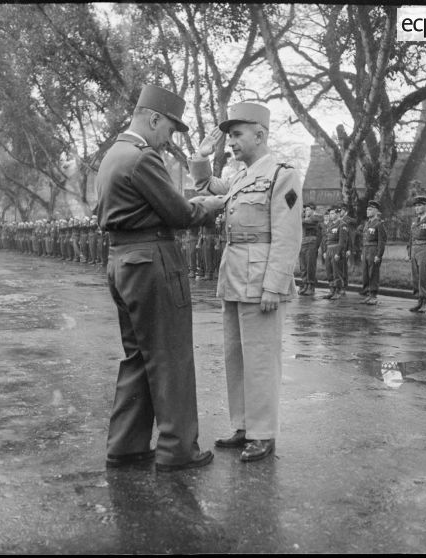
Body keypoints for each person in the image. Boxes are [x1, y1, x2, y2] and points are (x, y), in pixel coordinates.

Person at [96, 84, 224, 472]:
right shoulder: (142, 157)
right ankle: (178, 450)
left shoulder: (113, 155)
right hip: (152, 262)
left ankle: (127, 445)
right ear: (152, 119)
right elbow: (180, 214)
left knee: (138, 356)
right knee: (171, 356)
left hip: (122, 261)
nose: (169, 139)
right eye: (169, 129)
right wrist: (210, 204)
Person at [189, 102, 302, 462]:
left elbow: (288, 235)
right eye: (230, 136)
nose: (232, 142)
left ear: (260, 134)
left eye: (237, 135)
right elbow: (207, 184)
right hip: (235, 274)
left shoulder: (282, 174)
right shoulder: (240, 176)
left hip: (260, 278)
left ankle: (263, 433)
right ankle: (243, 425)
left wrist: (275, 285)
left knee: (262, 358)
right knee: (236, 356)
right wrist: (201, 156)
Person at [360, 200, 387, 305]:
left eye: (370, 209)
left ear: (376, 211)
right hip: (366, 249)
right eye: (367, 209)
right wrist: (363, 252)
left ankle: (374, 295)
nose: (367, 211)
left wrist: (379, 255)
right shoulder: (367, 224)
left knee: (373, 273)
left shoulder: (379, 224)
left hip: (373, 250)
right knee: (366, 273)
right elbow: (364, 239)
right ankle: (368, 293)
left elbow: (382, 241)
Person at [321, 205, 348, 300]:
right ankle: (332, 290)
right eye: (330, 213)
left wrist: (338, 253)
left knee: (337, 271)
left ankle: (338, 290)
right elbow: (326, 239)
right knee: (329, 271)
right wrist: (324, 251)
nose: (331, 215)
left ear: (337, 214)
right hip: (328, 249)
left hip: (336, 249)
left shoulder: (342, 224)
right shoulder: (330, 225)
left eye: (333, 213)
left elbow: (342, 241)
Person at [298, 202, 322, 296]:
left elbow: (307, 222)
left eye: (308, 209)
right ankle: (305, 284)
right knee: (303, 266)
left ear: (313, 210)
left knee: (310, 266)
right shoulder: (304, 219)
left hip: (311, 244)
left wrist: (299, 218)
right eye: (306, 209)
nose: (306, 211)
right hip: (303, 243)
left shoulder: (315, 218)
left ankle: (311, 286)